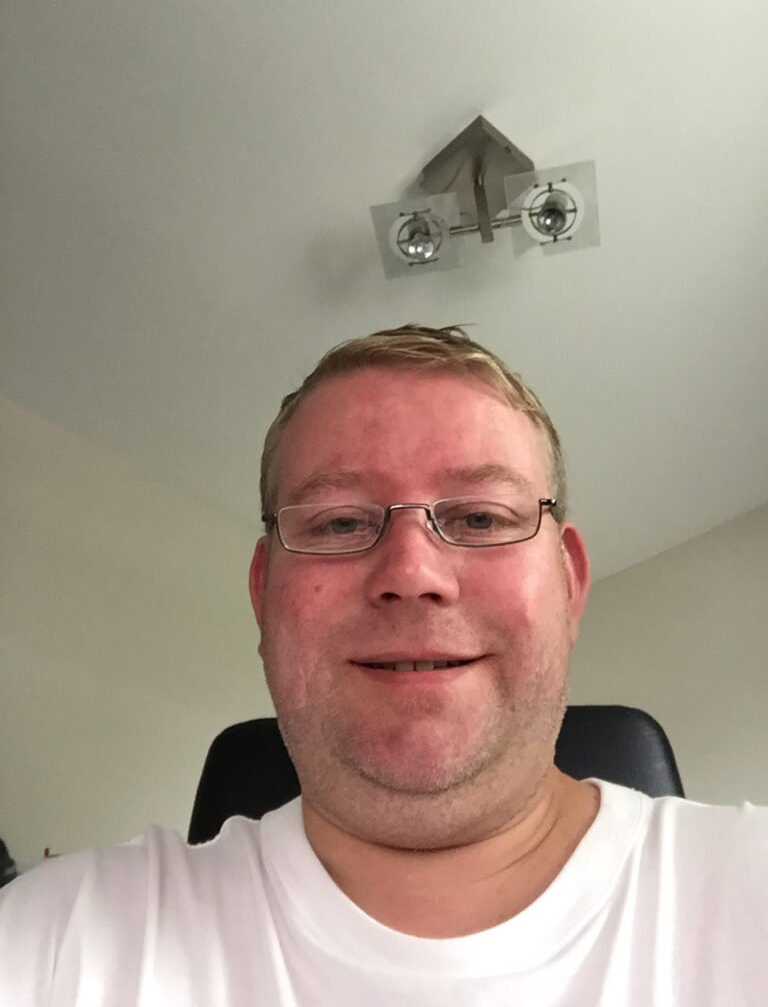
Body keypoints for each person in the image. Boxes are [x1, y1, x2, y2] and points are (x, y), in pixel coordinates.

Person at [1, 324, 766, 1004]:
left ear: (569, 583)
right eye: (339, 522)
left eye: (479, 517)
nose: (411, 572)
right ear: (264, 593)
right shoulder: (56, 943)